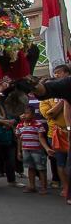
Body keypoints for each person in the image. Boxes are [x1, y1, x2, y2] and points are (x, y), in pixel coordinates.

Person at [39, 64, 70, 195]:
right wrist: (63, 100)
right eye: (55, 73)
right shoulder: (47, 100)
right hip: (57, 133)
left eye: (59, 73)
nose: (56, 75)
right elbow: (49, 114)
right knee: (61, 162)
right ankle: (66, 187)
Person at [16, 106, 53, 194]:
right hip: (26, 150)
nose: (24, 115)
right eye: (23, 113)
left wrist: (47, 148)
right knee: (30, 168)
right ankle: (32, 186)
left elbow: (41, 137)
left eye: (27, 113)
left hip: (37, 150)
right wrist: (19, 151)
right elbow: (19, 139)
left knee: (41, 168)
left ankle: (44, 187)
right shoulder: (19, 126)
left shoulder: (37, 124)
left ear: (33, 115)